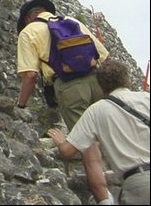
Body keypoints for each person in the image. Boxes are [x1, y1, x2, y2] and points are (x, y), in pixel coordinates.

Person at [16, 0, 113, 204]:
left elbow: (30, 76)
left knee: (87, 144)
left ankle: (105, 199)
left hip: (69, 87)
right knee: (108, 133)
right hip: (98, 80)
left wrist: (21, 105)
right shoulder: (71, 21)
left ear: (27, 18)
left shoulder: (29, 32)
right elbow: (104, 56)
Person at [48, 59, 150, 205]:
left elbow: (68, 151)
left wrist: (60, 141)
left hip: (138, 183)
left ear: (100, 85)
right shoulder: (146, 98)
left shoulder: (96, 110)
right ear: (127, 80)